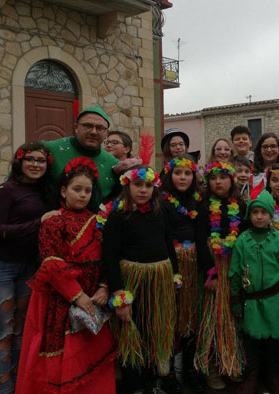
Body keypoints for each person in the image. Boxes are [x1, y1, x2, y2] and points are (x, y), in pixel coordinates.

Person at [15, 157, 116, 394]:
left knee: (91, 351)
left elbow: (108, 258)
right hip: (61, 298)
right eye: (76, 189)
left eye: (88, 191)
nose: (82, 195)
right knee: (59, 352)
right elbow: (51, 263)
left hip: (94, 296)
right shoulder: (54, 222)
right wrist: (77, 296)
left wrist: (104, 286)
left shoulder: (99, 221)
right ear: (63, 191)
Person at [0, 142, 59, 394]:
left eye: (41, 161)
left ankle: (20, 386)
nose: (35, 164)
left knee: (22, 332)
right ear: (20, 162)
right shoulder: (7, 190)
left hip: (28, 268)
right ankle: (5, 390)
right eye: (30, 159)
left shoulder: (47, 192)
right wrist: (39, 222)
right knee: (4, 331)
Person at [101, 163, 179, 394]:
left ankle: (156, 378)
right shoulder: (117, 217)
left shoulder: (160, 211)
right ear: (127, 185)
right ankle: (132, 382)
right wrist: (119, 295)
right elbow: (110, 257)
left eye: (147, 186)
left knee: (158, 327)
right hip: (132, 281)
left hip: (160, 279)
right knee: (132, 328)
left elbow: (168, 244)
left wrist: (174, 275)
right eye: (137, 185)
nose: (143, 190)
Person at [229, 189, 279, 394]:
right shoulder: (242, 240)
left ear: (270, 215)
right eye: (255, 212)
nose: (259, 216)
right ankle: (252, 376)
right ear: (249, 215)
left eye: (264, 212)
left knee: (271, 343)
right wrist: (235, 301)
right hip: (250, 302)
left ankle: (272, 375)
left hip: (273, 300)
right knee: (250, 341)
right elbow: (234, 272)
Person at [160, 155, 213, 394]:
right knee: (171, 317)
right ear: (170, 175)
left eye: (187, 173)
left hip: (194, 264)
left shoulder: (199, 200)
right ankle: (168, 373)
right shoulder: (160, 200)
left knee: (191, 317)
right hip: (171, 264)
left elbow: (201, 235)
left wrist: (209, 268)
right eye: (178, 173)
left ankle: (191, 371)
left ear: (194, 177)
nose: (183, 177)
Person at [195, 162, 246, 390]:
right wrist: (211, 272)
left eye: (223, 178)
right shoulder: (204, 207)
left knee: (234, 319)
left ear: (232, 181)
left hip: (234, 269)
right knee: (213, 320)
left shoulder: (241, 206)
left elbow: (244, 239)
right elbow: (199, 240)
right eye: (213, 178)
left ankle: (233, 364)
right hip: (213, 270)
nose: (218, 182)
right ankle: (213, 368)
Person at [44, 105, 119, 211]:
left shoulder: (113, 164)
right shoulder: (49, 150)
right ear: (76, 128)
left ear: (106, 132)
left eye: (100, 128)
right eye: (87, 126)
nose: (93, 132)